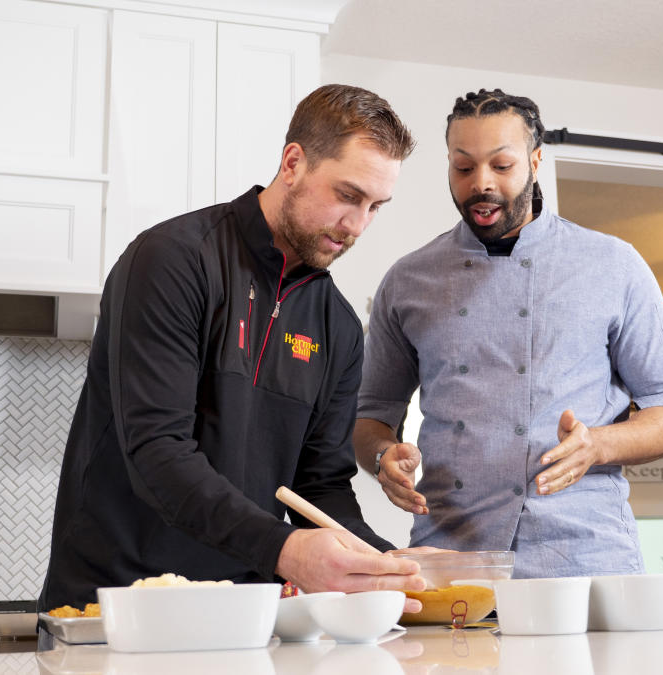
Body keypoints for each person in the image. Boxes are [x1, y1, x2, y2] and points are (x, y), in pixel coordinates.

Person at [39, 84, 428, 612]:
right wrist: (286, 550)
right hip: (115, 607)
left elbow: (321, 487)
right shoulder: (173, 262)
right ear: (293, 163)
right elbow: (158, 450)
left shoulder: (337, 324)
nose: (357, 225)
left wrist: (390, 566)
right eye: (347, 195)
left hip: (243, 616)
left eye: (375, 206)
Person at [354, 89, 663, 578]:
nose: (481, 184)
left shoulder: (612, 264)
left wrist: (597, 445)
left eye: (502, 165)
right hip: (453, 558)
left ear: (536, 161)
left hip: (584, 556)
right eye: (463, 168)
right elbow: (370, 415)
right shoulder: (408, 279)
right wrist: (381, 458)